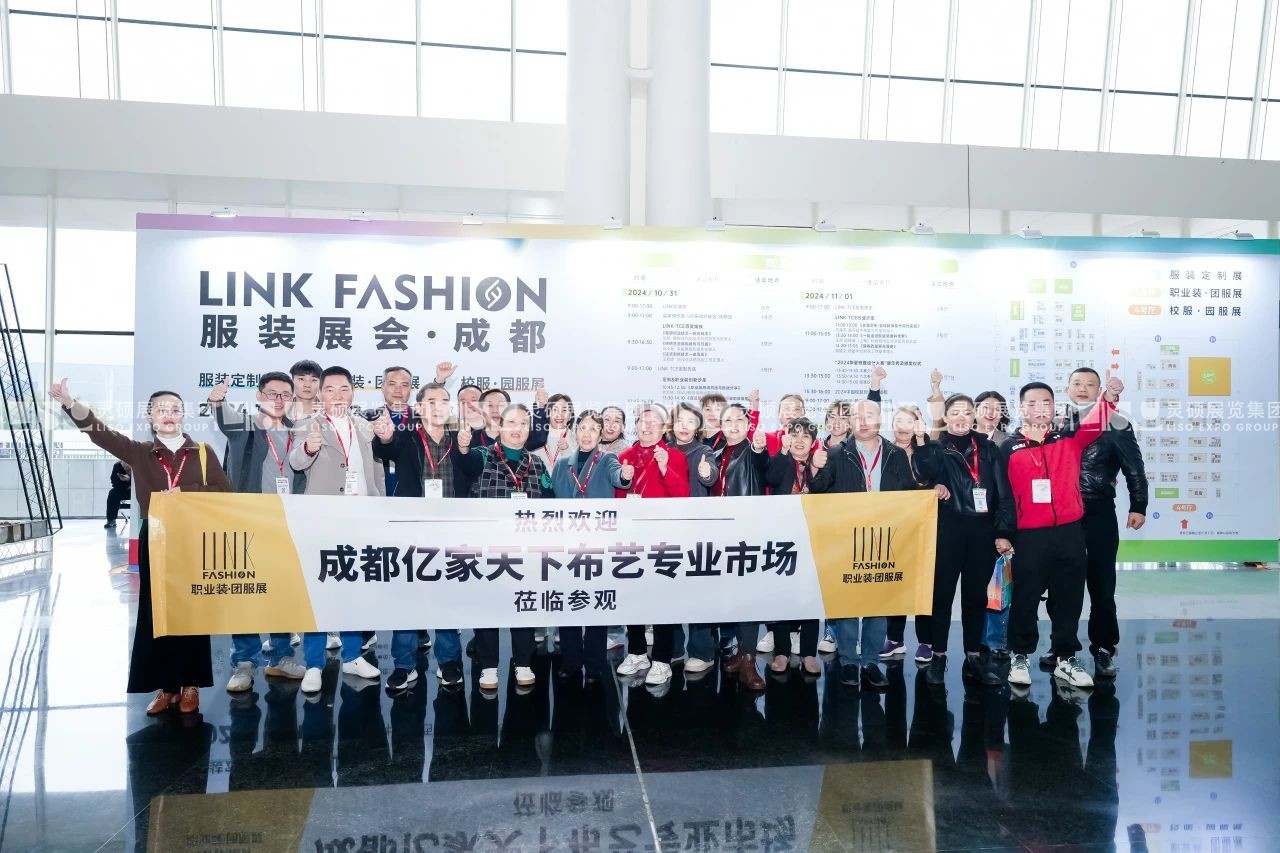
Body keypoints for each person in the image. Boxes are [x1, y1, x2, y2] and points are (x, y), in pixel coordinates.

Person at [50, 379, 230, 716]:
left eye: (175, 409)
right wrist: (70, 402)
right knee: (155, 610)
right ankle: (167, 687)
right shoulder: (139, 452)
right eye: (160, 409)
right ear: (150, 416)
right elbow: (99, 433)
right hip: (156, 538)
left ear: (183, 415)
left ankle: (191, 685)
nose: (168, 414)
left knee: (192, 610)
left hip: (193, 539)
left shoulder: (203, 453)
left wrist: (187, 492)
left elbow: (224, 491)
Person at [1002, 375, 1122, 689]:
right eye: (1032, 403)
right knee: (1025, 597)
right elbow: (1002, 496)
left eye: (1046, 402)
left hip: (1069, 532)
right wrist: (1004, 533)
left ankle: (1065, 658)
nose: (1040, 408)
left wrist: (1108, 399)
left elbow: (1095, 424)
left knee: (1069, 597)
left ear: (1055, 406)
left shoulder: (1068, 439)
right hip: (1029, 535)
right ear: (1022, 408)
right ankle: (1019, 656)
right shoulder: (1008, 448)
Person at [289, 366, 387, 694]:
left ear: (352, 392)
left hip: (360, 518)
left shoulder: (365, 427)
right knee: (319, 590)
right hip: (323, 520)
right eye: (329, 389)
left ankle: (353, 656)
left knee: (354, 588)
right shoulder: (308, 425)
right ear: (320, 394)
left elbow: (376, 471)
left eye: (344, 389)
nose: (337, 395)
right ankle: (314, 664)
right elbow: (296, 462)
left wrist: (380, 506)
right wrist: (308, 448)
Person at [207, 372, 307, 692]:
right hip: (247, 522)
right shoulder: (245, 426)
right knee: (244, 594)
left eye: (285, 395)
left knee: (282, 593)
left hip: (286, 523)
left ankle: (280, 657)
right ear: (259, 396)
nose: (278, 400)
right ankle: (245, 663)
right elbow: (224, 416)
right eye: (272, 393)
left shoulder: (298, 431)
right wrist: (217, 400)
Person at [809, 399, 914, 690]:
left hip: (884, 537)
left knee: (877, 603)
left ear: (880, 419)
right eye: (857, 416)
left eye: (870, 415)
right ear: (850, 422)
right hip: (847, 537)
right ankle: (847, 660)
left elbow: (909, 494)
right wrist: (815, 468)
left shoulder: (895, 454)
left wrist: (933, 491)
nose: (863, 421)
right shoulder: (836, 452)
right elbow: (817, 489)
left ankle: (869, 661)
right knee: (846, 601)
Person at [911, 394, 1015, 687]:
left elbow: (1004, 494)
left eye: (967, 412)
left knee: (976, 598)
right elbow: (923, 474)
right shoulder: (935, 447)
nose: (961, 418)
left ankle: (974, 657)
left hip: (982, 533)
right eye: (955, 412)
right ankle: (939, 657)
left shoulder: (989, 448)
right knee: (941, 597)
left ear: (974, 417)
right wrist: (921, 443)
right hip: (947, 530)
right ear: (945, 417)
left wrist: (1004, 532)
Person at [370, 381, 468, 691]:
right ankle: (404, 665)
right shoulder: (406, 437)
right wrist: (384, 437)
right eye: (431, 401)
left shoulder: (459, 440)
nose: (438, 406)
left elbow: (472, 471)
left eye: (444, 401)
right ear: (420, 407)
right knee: (408, 597)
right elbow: (385, 447)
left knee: (447, 597)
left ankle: (449, 661)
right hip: (411, 530)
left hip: (451, 531)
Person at [455, 403, 553, 693]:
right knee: (487, 605)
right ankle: (488, 665)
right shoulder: (483, 455)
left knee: (523, 603)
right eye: (512, 422)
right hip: (488, 548)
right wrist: (463, 446)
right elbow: (465, 463)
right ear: (500, 426)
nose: (517, 428)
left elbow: (551, 500)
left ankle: (523, 661)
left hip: (526, 549)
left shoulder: (537, 463)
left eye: (523, 423)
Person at [1060, 367, 1147, 679]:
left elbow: (1134, 467)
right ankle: (1062, 647)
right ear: (1067, 388)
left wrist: (1138, 505)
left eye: (1090, 384)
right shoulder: (1054, 424)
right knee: (1062, 586)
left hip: (1098, 512)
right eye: (1077, 383)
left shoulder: (1117, 423)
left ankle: (1104, 647)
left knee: (1102, 585)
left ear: (1099, 391)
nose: (1082, 388)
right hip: (1062, 516)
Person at [549, 410, 628, 685]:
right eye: (582, 428)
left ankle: (594, 663)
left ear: (600, 434)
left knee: (595, 601)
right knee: (568, 601)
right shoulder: (561, 464)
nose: (587, 433)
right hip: (566, 543)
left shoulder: (607, 460)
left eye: (593, 429)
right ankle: (571, 661)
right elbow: (550, 499)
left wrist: (625, 476)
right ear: (575, 431)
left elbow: (619, 478)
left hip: (597, 543)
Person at [615, 403, 689, 686]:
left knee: (662, 599)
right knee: (633, 596)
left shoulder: (674, 455)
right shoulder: (624, 456)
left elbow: (682, 496)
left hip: (663, 537)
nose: (646, 426)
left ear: (663, 427)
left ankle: (662, 659)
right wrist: (624, 479)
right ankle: (636, 652)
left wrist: (664, 467)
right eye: (641, 421)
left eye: (653, 421)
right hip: (632, 537)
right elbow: (618, 498)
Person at [710, 403, 771, 690]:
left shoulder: (751, 450)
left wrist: (759, 448)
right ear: (720, 425)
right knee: (732, 595)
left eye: (739, 420)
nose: (733, 424)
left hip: (747, 534)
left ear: (748, 425)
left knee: (749, 597)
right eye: (728, 420)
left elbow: (762, 464)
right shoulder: (717, 454)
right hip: (722, 535)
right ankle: (739, 652)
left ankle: (749, 659)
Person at [764, 417, 823, 677]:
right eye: (795, 435)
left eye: (805, 437)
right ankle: (782, 652)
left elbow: (826, 492)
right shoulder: (781, 459)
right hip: (782, 537)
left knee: (811, 595)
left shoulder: (819, 464)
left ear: (813, 442)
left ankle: (809, 653)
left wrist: (817, 470)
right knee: (782, 595)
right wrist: (783, 452)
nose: (800, 441)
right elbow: (771, 477)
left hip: (812, 537)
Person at [881, 404, 938, 663]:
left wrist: (922, 441)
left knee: (923, 584)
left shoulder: (929, 448)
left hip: (923, 525)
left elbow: (931, 475)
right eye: (898, 420)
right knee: (894, 582)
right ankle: (895, 638)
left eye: (909, 421)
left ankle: (926, 640)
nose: (903, 426)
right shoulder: (883, 450)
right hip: (891, 525)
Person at [666, 402, 718, 675]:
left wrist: (706, 473)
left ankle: (702, 652)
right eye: (679, 421)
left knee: (699, 591)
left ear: (698, 426)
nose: (684, 427)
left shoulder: (703, 451)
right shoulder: (663, 449)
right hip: (667, 530)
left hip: (696, 530)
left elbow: (710, 477)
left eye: (690, 422)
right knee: (670, 588)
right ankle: (673, 648)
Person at [974, 390, 1014, 656]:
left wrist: (1006, 529)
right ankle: (975, 639)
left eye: (996, 408)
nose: (990, 412)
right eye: (985, 407)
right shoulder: (963, 440)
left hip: (999, 522)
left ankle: (997, 640)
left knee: (999, 583)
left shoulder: (1009, 443)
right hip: (971, 523)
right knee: (976, 586)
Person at [534, 393, 576, 471]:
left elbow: (578, 468)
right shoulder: (537, 436)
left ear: (570, 416)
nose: (559, 414)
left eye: (564, 410)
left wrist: (566, 449)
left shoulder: (576, 439)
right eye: (555, 410)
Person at [105, 460, 131, 528]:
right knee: (112, 493)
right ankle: (111, 520)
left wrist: (129, 479)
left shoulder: (137, 464)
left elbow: (141, 480)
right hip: (123, 489)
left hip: (137, 489)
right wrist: (125, 484)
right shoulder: (117, 466)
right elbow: (113, 481)